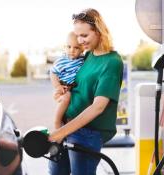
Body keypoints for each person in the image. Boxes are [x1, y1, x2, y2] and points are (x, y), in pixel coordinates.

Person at [48, 8, 123, 175]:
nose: (80, 41)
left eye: (84, 35)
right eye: (77, 35)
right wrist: (62, 90)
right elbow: (79, 85)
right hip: (68, 126)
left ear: (98, 31)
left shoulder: (112, 62)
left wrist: (60, 133)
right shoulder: (88, 55)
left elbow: (98, 107)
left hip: (87, 133)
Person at [50, 31, 84, 130]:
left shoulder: (82, 60)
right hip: (64, 88)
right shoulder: (62, 61)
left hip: (74, 88)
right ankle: (57, 121)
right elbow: (53, 73)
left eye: (76, 47)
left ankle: (67, 124)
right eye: (69, 47)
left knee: (73, 105)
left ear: (82, 48)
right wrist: (58, 87)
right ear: (65, 47)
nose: (72, 50)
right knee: (66, 98)